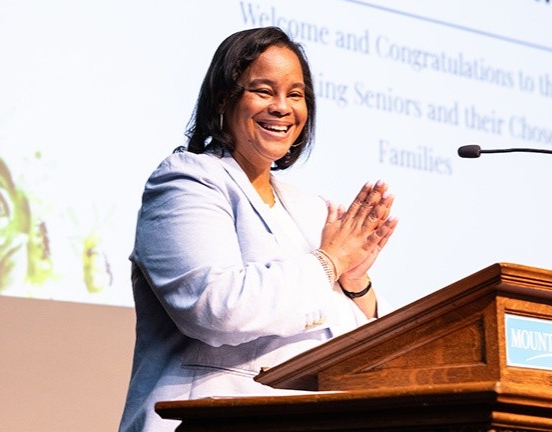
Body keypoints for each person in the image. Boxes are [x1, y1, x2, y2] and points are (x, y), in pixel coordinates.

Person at [118, 26, 398, 432]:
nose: (282, 107)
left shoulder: (310, 209)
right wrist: (330, 262)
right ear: (223, 99)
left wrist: (354, 284)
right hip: (204, 419)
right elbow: (214, 307)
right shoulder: (187, 180)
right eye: (264, 91)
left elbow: (341, 341)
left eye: (295, 94)